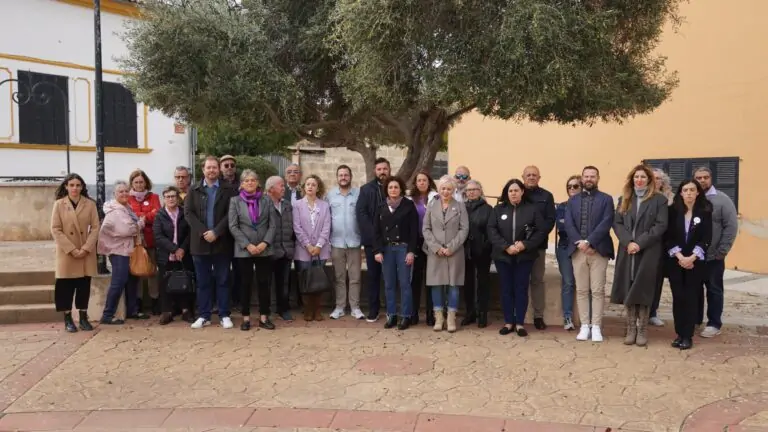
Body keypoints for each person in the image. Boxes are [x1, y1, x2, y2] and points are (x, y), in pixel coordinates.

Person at [611, 164, 669, 347]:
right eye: (636, 177)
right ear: (632, 180)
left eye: (643, 177)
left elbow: (660, 225)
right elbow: (617, 224)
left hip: (648, 250)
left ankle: (642, 329)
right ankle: (631, 329)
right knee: (628, 285)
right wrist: (629, 242)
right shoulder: (624, 199)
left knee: (643, 287)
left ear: (649, 180)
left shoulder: (659, 200)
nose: (639, 180)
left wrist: (640, 243)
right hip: (627, 250)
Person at [487, 179, 547, 337]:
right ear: (507, 193)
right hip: (503, 256)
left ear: (522, 192)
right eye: (510, 191)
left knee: (521, 289)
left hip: (524, 257)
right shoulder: (498, 210)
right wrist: (506, 246)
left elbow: (541, 231)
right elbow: (491, 230)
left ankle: (519, 323)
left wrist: (524, 245)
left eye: (516, 190)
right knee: (506, 289)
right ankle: (508, 322)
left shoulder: (532, 209)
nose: (513, 193)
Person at [184, 156, 238, 329]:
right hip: (199, 244)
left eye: (215, 167)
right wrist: (203, 232)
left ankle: (224, 314)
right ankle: (204, 315)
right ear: (203, 170)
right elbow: (188, 213)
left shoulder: (228, 189)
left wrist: (216, 232)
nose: (212, 170)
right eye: (209, 167)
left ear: (218, 170)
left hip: (222, 243)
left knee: (223, 280)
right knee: (203, 281)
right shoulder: (194, 190)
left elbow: (231, 213)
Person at [564, 166, 615, 342]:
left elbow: (606, 222)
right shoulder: (572, 201)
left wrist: (590, 242)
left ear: (598, 178)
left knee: (598, 290)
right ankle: (585, 325)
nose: (589, 179)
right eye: (586, 176)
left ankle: (596, 327)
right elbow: (569, 224)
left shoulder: (606, 199)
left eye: (592, 176)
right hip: (578, 250)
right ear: (582, 178)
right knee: (582, 290)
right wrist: (580, 242)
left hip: (599, 251)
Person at [664, 179, 712, 350]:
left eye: (692, 190)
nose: (689, 193)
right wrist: (679, 257)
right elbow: (668, 237)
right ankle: (679, 334)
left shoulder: (705, 212)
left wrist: (692, 258)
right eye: (686, 190)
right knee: (678, 298)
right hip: (675, 261)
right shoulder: (672, 211)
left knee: (691, 298)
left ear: (698, 192)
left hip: (695, 263)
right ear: (681, 193)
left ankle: (688, 335)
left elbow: (706, 238)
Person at [50, 173, 100, 332]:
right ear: (66, 186)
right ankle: (67, 319)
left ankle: (83, 317)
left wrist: (85, 248)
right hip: (67, 253)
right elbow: (55, 229)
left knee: (83, 286)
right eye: (71, 185)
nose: (75, 188)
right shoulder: (59, 204)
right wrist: (71, 249)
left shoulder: (90, 204)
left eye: (78, 185)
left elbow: (95, 228)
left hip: (86, 252)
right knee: (65, 287)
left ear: (82, 187)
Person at [693, 167, 738, 338]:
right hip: (694, 257)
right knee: (694, 290)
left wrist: (722, 250)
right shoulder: (690, 198)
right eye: (698, 177)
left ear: (711, 178)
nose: (702, 180)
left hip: (714, 256)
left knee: (714, 290)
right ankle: (695, 320)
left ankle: (714, 323)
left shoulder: (722, 200)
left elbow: (731, 226)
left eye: (705, 177)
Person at [229, 170, 276, 331]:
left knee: (264, 283)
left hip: (264, 248)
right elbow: (233, 226)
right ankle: (246, 318)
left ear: (258, 183)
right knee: (245, 284)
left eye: (253, 180)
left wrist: (265, 242)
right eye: (246, 180)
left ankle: (264, 317)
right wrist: (247, 245)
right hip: (244, 250)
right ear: (241, 184)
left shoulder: (267, 200)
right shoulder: (235, 201)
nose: (250, 182)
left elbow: (273, 224)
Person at [98, 180, 149, 324]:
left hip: (128, 249)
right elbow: (126, 230)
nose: (124, 193)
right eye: (121, 191)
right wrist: (140, 223)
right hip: (118, 250)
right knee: (118, 282)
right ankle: (107, 315)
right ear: (114, 194)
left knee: (132, 280)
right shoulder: (115, 210)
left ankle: (132, 310)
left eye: (126, 191)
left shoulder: (126, 208)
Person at [423, 175, 469, 332]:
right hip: (435, 253)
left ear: (453, 190)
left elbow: (464, 229)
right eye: (443, 188)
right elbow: (426, 228)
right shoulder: (431, 205)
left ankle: (451, 318)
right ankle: (439, 317)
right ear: (438, 189)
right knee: (436, 285)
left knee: (453, 285)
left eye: (449, 189)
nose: (446, 191)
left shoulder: (460, 206)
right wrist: (436, 247)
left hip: (454, 252)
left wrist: (451, 247)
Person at [373, 176, 419, 330]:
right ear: (387, 189)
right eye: (390, 187)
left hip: (403, 248)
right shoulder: (380, 206)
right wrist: (377, 250)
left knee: (405, 284)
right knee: (389, 284)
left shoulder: (408, 205)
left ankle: (406, 316)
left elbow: (414, 231)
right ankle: (391, 315)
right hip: (386, 249)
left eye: (396, 187)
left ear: (401, 189)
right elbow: (376, 231)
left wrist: (411, 251)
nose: (393, 190)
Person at [153, 186, 195, 325]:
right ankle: (167, 311)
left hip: (184, 255)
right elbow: (158, 236)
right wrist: (174, 249)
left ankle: (186, 310)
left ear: (178, 198)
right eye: (168, 197)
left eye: (173, 196)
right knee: (165, 283)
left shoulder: (184, 213)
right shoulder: (159, 215)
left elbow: (190, 233)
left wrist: (182, 249)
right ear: (164, 199)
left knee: (185, 281)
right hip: (166, 255)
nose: (171, 199)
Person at [292, 175, 332, 321]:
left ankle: (317, 310)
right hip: (303, 249)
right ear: (304, 188)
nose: (310, 187)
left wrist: (319, 245)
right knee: (305, 280)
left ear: (318, 187)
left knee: (318, 279)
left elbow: (327, 226)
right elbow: (297, 227)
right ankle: (307, 309)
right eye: (307, 184)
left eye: (313, 184)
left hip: (321, 250)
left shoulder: (325, 205)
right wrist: (308, 245)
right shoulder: (297, 205)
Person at [521, 165, 556, 330]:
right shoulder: (516, 192)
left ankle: (538, 316)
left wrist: (534, 240)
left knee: (537, 280)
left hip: (538, 247)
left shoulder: (546, 196)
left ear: (539, 178)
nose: (531, 177)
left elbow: (549, 221)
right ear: (523, 177)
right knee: (519, 281)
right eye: (528, 175)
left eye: (534, 175)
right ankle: (517, 314)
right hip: (518, 247)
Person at [356, 157, 391, 322]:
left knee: (391, 278)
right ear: (374, 171)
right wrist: (375, 237)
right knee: (373, 277)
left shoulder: (394, 187)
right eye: (379, 169)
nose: (382, 172)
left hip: (392, 242)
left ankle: (392, 310)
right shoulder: (365, 190)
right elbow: (361, 214)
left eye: (385, 169)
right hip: (372, 243)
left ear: (389, 170)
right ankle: (373, 310)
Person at [327, 165, 364, 320]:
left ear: (351, 177)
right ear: (337, 177)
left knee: (355, 277)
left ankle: (355, 307)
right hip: (336, 243)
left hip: (355, 242)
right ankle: (340, 307)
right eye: (340, 175)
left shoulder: (358, 194)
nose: (343, 177)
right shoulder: (330, 195)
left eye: (346, 175)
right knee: (339, 277)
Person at [128, 169, 162, 315]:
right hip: (135, 242)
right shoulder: (128, 199)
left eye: (141, 182)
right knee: (138, 271)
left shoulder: (153, 197)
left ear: (146, 182)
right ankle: (139, 301)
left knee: (152, 271)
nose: (139, 185)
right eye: (136, 182)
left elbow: (158, 214)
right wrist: (145, 215)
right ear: (132, 184)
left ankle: (155, 300)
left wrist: (142, 218)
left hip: (151, 240)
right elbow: (128, 216)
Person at [407, 171, 438, 326]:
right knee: (416, 279)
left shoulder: (436, 198)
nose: (421, 183)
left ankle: (431, 315)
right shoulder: (410, 200)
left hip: (432, 242)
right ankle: (413, 313)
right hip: (416, 242)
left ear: (429, 182)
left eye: (424, 180)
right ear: (415, 183)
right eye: (418, 180)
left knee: (431, 279)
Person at [265, 176, 295, 321]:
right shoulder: (262, 204)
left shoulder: (287, 204)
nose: (284, 188)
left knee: (284, 282)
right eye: (281, 185)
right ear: (271, 189)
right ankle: (267, 309)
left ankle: (283, 309)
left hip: (286, 249)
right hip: (269, 250)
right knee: (267, 282)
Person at [463, 179, 493, 328]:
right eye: (469, 190)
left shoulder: (488, 209)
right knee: (467, 282)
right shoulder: (462, 207)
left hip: (482, 251)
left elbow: (491, 230)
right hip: (465, 251)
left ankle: (482, 313)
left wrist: (485, 246)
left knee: (483, 282)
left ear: (480, 191)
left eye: (474, 189)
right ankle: (470, 312)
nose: (471, 192)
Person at [555, 174, 582, 331]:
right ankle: (567, 316)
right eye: (569, 186)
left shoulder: (587, 206)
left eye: (575, 186)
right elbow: (562, 226)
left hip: (582, 248)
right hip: (565, 247)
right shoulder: (562, 206)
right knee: (568, 282)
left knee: (586, 285)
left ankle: (588, 319)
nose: (572, 189)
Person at [649, 168, 675, 327]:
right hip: (648, 242)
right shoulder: (643, 197)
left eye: (658, 178)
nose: (655, 181)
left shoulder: (671, 199)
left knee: (657, 280)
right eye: (652, 178)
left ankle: (653, 312)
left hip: (665, 245)